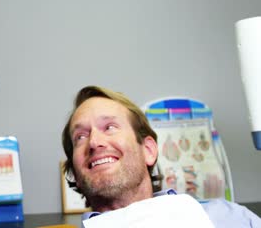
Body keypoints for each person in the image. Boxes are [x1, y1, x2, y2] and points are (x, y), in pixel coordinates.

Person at [62, 85, 261, 227]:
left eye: (110, 127)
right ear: (75, 174)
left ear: (148, 150)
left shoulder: (231, 217)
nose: (94, 142)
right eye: (80, 137)